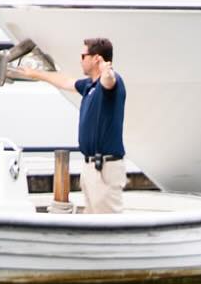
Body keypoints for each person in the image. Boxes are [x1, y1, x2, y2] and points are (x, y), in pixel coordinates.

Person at [12, 37, 126, 213]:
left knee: (108, 220)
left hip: (104, 168)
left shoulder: (110, 83)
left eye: (83, 56)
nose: (80, 60)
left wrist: (107, 72)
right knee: (92, 220)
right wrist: (35, 74)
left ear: (96, 59)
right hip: (91, 167)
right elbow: (65, 81)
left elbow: (109, 81)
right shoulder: (89, 85)